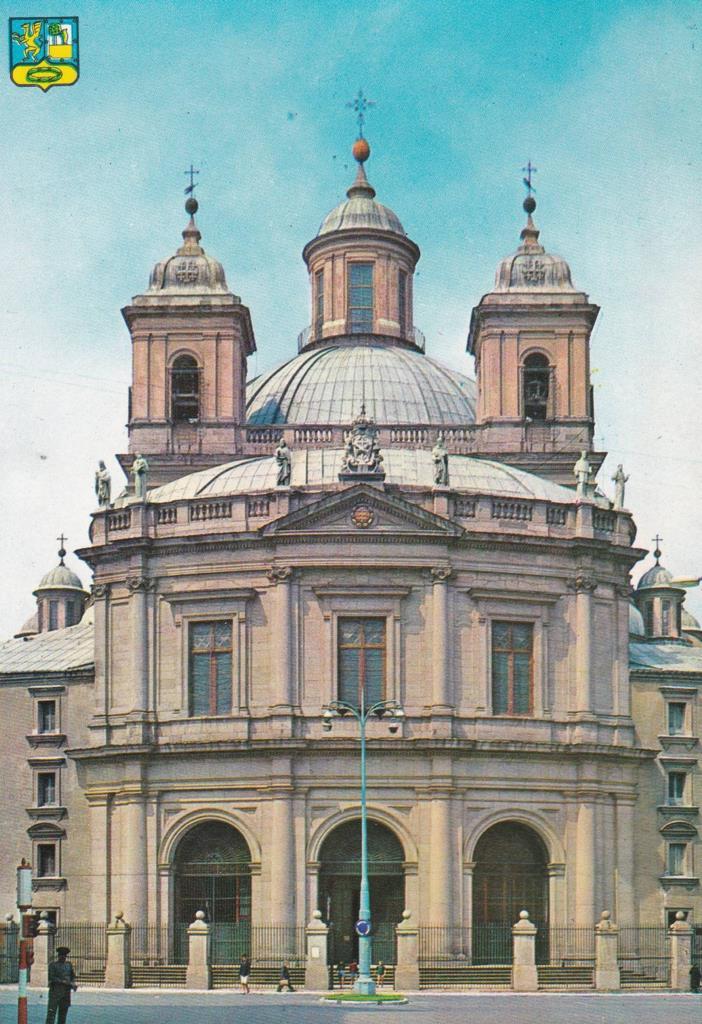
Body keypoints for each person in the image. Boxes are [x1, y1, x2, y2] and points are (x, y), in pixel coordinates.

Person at [45, 946, 77, 1024]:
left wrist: (73, 983)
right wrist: (63, 981)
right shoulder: (53, 965)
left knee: (63, 1014)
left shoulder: (69, 965)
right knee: (51, 1013)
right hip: (55, 992)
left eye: (64, 956)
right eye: (61, 955)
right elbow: (52, 977)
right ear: (58, 956)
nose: (63, 957)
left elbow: (72, 976)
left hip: (66, 993)